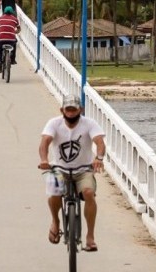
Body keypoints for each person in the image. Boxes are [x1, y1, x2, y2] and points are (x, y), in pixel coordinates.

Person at [38, 95, 106, 252]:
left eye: (74, 109)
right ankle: (55, 222)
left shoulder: (89, 124)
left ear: (80, 110)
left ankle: (90, 236)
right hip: (58, 168)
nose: (70, 113)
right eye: (67, 110)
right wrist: (44, 160)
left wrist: (99, 158)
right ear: (62, 110)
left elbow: (100, 142)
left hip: (84, 169)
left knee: (89, 192)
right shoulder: (53, 123)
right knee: (54, 191)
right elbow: (45, 142)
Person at [0, 6, 20, 72]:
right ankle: (13, 59)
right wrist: (15, 32)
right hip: (11, 39)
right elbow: (19, 29)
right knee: (14, 44)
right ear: (12, 12)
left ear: (4, 12)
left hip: (1, 39)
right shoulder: (15, 19)